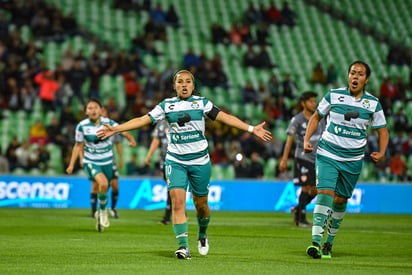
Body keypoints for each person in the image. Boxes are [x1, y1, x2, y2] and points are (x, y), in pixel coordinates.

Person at [97, 70, 272, 259]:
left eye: (188, 81)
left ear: (193, 85)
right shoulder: (166, 105)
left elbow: (225, 117)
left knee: (202, 206)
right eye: (180, 82)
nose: (184, 84)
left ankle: (202, 234)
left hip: (200, 161)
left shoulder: (202, 103)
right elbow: (142, 120)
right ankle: (183, 247)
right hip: (175, 160)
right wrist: (116, 129)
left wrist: (252, 128)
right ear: (174, 86)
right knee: (178, 202)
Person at [304, 61, 389, 259]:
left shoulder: (373, 104)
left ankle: (329, 243)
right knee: (324, 192)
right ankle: (315, 242)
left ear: (366, 79)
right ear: (348, 76)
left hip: (353, 159)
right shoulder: (333, 95)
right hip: (328, 153)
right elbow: (316, 117)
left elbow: (383, 131)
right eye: (352, 73)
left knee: (340, 200)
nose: (355, 77)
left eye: (360, 74)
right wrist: (307, 139)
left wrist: (382, 152)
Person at [66, 98, 136, 232]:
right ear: (86, 111)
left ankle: (100, 211)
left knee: (106, 187)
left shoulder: (108, 122)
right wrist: (71, 164)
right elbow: (78, 145)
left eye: (95, 107)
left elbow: (121, 129)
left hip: (107, 162)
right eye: (90, 108)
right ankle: (103, 211)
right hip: (91, 161)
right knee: (102, 184)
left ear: (100, 109)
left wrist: (130, 138)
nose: (93, 110)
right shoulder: (82, 126)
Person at [279, 91, 325, 227]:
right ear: (303, 103)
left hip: (317, 158)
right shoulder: (297, 120)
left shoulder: (319, 119)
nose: (314, 104)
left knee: (316, 190)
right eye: (310, 101)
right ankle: (301, 219)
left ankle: (298, 209)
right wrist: (284, 159)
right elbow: (289, 140)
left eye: (314, 101)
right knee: (305, 187)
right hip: (303, 157)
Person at [87, 106, 137, 219]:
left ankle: (113, 209)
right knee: (95, 185)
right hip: (96, 161)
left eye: (104, 111)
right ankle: (94, 211)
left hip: (110, 161)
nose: (102, 113)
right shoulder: (91, 127)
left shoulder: (112, 127)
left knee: (115, 186)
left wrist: (121, 158)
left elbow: (118, 144)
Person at [144, 119, 172, 225]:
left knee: (171, 187)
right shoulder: (161, 123)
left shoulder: (180, 117)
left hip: (177, 159)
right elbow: (156, 140)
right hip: (164, 159)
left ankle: (167, 217)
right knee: (171, 187)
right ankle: (180, 212)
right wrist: (149, 155)